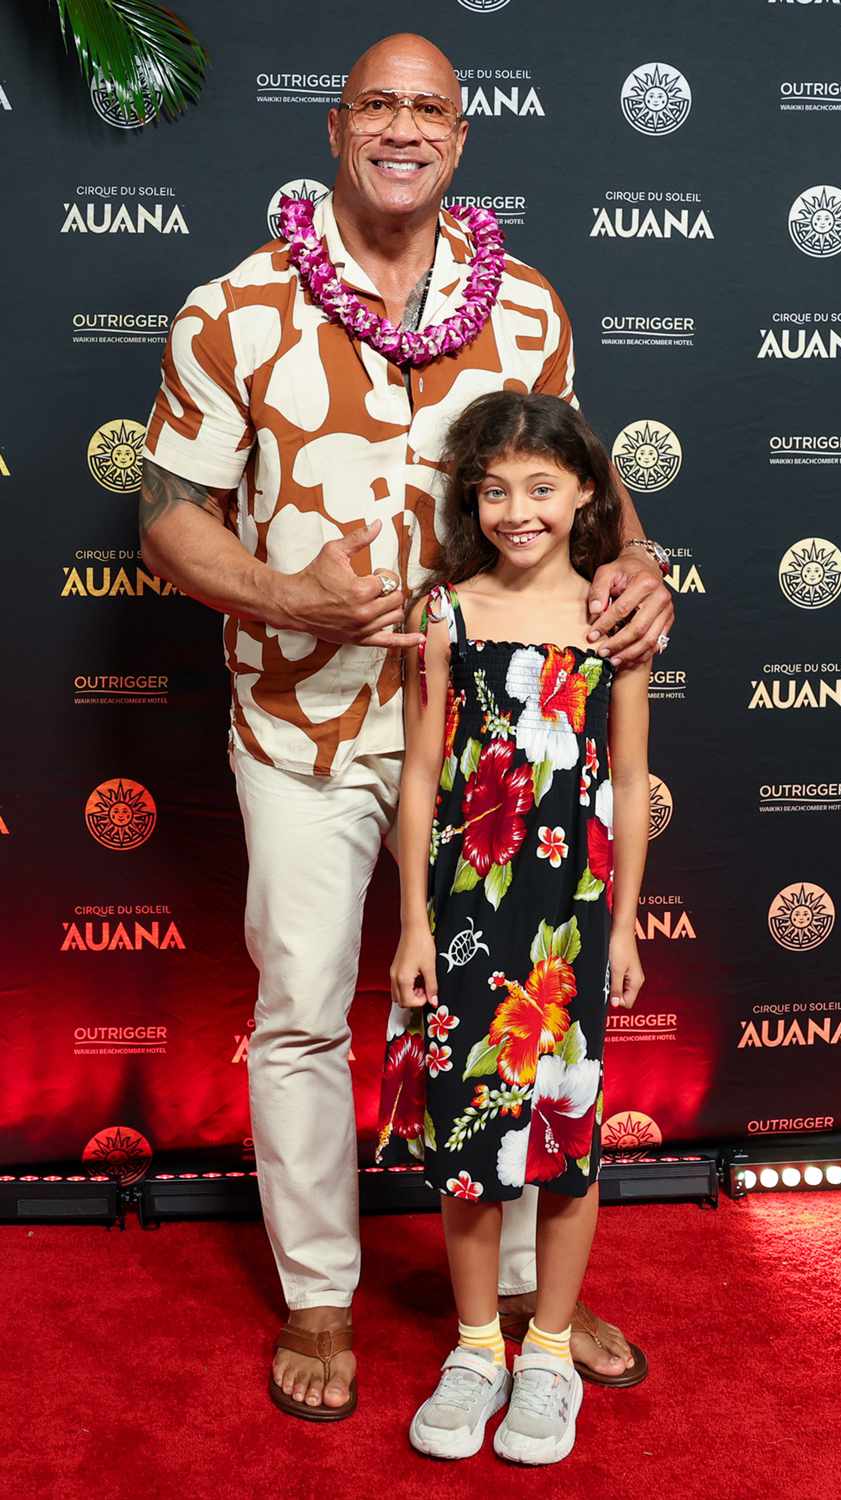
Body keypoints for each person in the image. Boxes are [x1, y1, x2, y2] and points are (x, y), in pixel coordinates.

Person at [139, 31, 672, 1421]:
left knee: (515, 1010)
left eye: (428, 109)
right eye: (377, 104)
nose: (402, 129)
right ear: (335, 127)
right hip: (303, 722)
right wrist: (287, 596)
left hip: (501, 737)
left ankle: (513, 1316)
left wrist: (642, 567)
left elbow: (584, 490)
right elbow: (166, 521)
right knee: (309, 1009)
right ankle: (321, 1292)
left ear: (460, 138)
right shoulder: (231, 310)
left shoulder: (531, 307)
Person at [393, 391, 650, 1464]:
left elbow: (630, 781)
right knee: (467, 1137)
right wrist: (411, 919)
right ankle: (473, 1350)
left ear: (588, 491)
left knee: (566, 1137)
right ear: (470, 500)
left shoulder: (612, 618)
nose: (516, 509)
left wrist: (627, 923)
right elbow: (417, 776)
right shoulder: (445, 611)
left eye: (540, 487)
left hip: (574, 917)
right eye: (493, 490)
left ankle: (546, 1354)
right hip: (464, 912)